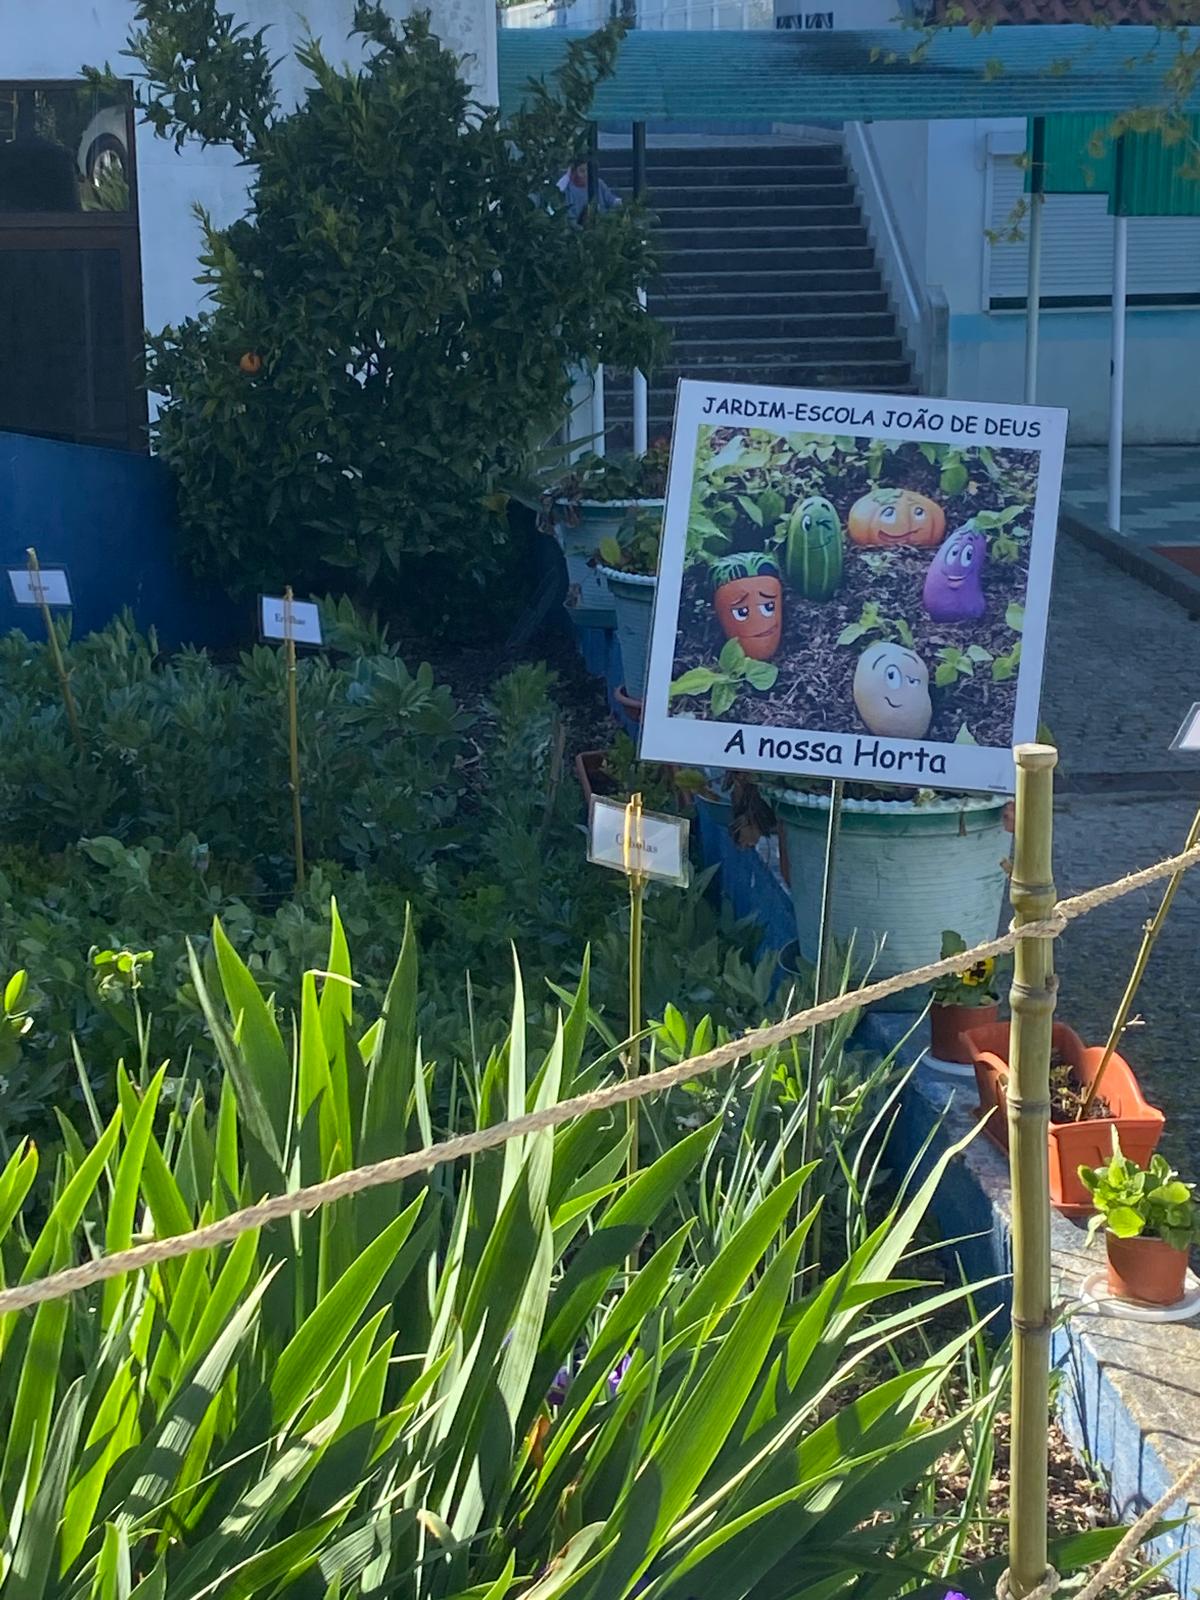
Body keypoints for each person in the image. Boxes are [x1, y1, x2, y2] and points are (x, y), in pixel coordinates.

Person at [557, 156, 621, 225]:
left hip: (602, 224)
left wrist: (618, 202)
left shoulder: (598, 183)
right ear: (573, 173)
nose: (586, 174)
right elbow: (570, 217)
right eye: (582, 171)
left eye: (588, 170)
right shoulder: (568, 190)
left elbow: (610, 199)